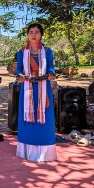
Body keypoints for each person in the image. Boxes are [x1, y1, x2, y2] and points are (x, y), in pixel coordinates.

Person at [15, 23, 57, 162]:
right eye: (31, 32)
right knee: (27, 118)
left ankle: (45, 152)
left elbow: (51, 67)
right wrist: (20, 76)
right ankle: (27, 150)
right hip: (27, 90)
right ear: (28, 34)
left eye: (36, 32)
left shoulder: (48, 51)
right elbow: (19, 69)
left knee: (46, 119)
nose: (33, 34)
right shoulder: (21, 52)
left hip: (43, 89)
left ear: (41, 35)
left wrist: (51, 74)